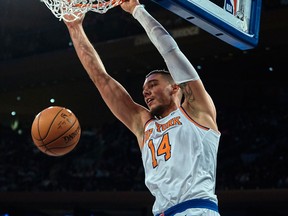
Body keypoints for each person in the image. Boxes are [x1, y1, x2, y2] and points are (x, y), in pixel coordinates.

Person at [64, 0, 221, 215]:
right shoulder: (143, 126)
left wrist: (137, 10)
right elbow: (102, 79)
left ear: (175, 87)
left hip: (197, 210)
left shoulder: (196, 111)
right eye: (144, 89)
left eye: (153, 85)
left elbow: (171, 51)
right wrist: (75, 28)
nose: (146, 92)